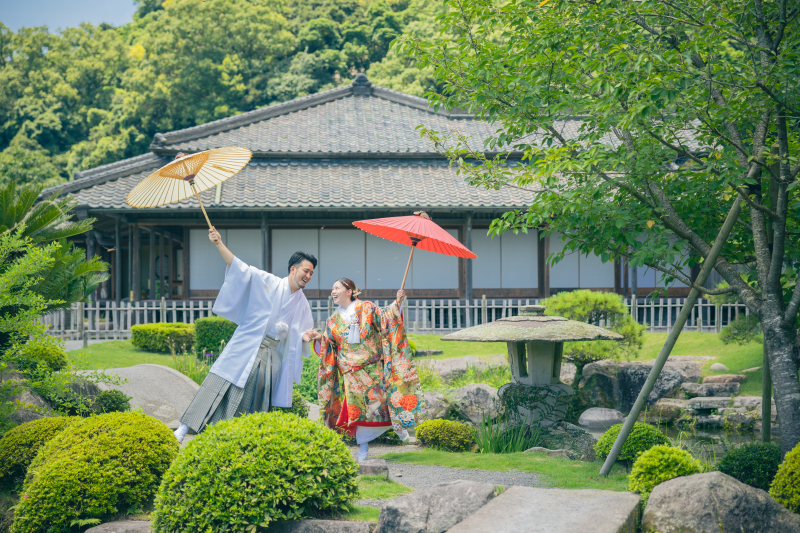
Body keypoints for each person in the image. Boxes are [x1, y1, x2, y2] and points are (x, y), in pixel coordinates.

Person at [173, 227, 321, 442]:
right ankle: (184, 428)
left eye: (311, 273)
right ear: (292, 269)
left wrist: (303, 338)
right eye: (305, 270)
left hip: (270, 357)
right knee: (217, 385)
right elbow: (239, 268)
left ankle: (233, 437)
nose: (308, 275)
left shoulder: (302, 304)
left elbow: (298, 334)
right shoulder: (268, 281)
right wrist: (218, 244)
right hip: (247, 345)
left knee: (251, 399)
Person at [316, 278, 425, 462]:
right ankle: (364, 448)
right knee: (357, 409)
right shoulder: (332, 320)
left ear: (349, 290)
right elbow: (329, 345)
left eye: (337, 288)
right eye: (332, 289)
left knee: (383, 404)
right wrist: (319, 338)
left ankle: (400, 428)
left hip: (372, 368)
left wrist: (397, 303)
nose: (332, 292)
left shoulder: (367, 307)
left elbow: (386, 318)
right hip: (351, 372)